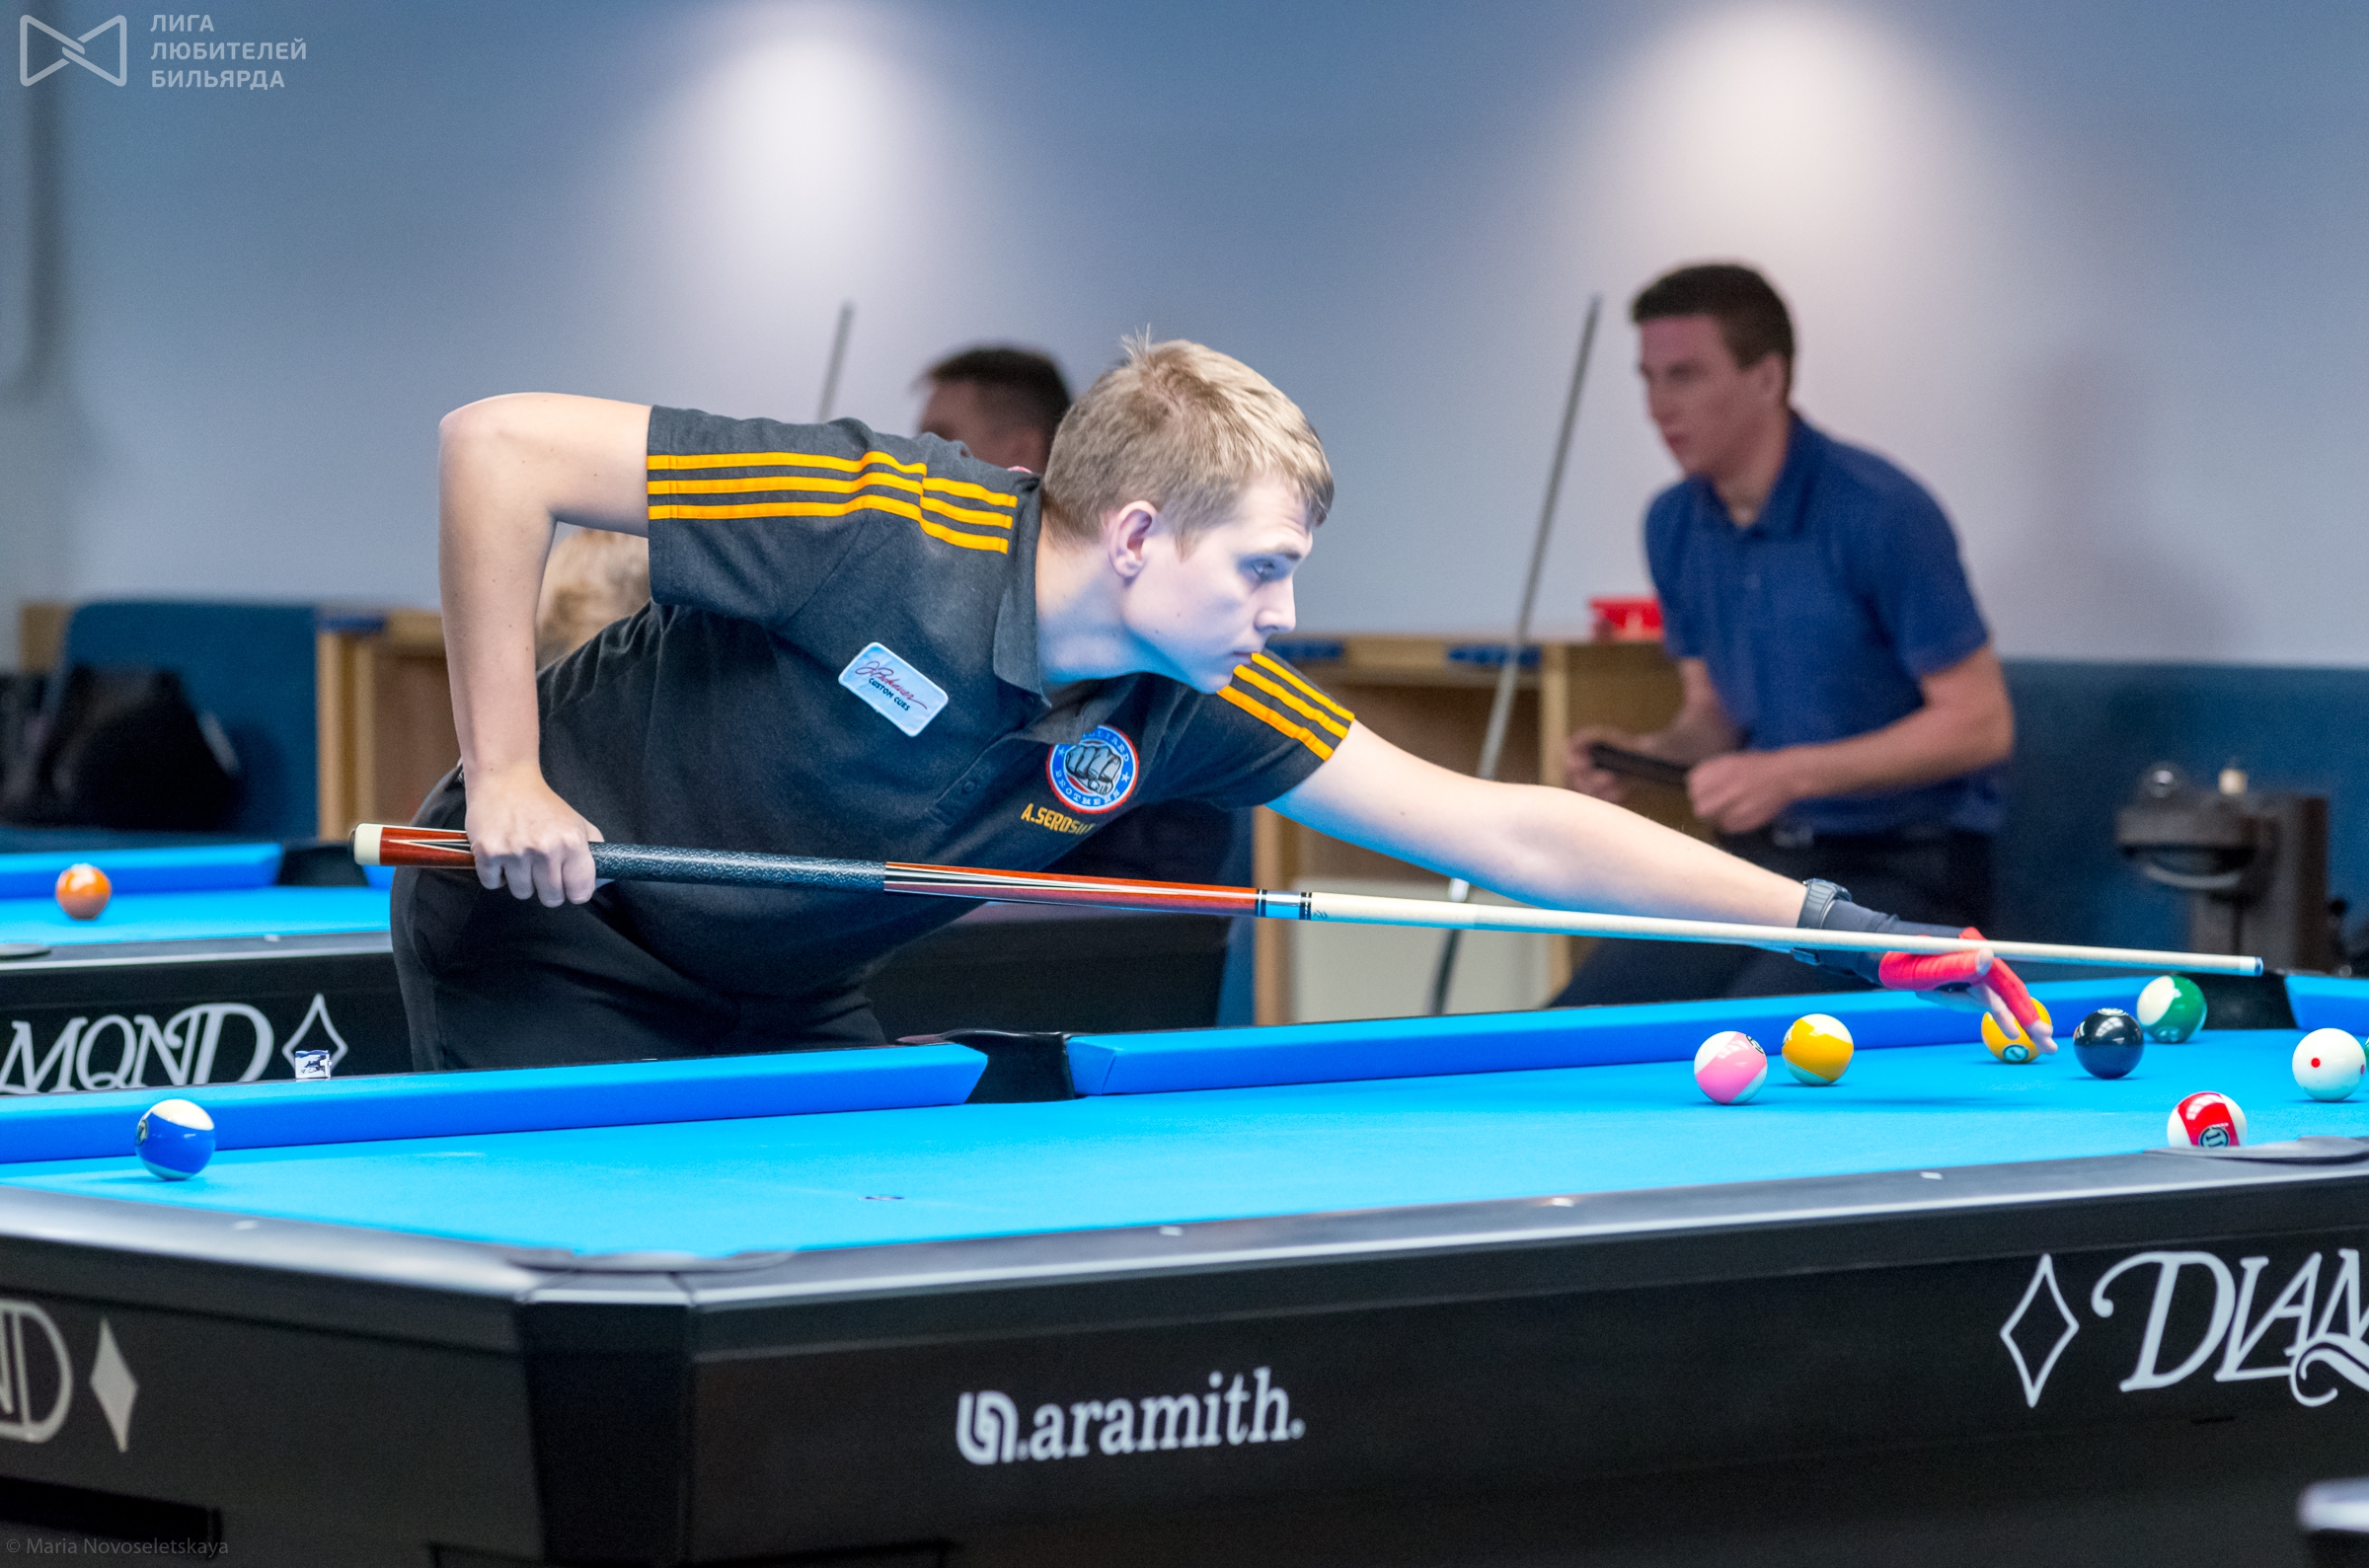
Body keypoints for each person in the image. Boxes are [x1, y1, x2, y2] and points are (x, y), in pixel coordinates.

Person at [399, 336, 2045, 1071]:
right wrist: (508, 770)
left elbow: (1505, 828)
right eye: (1262, 567)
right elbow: (500, 445)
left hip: (782, 981)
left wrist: (1836, 924)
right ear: (1135, 537)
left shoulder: (1192, 696)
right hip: (556, 937)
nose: (1286, 611)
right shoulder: (873, 516)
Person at [1555, 264, 2015, 1007]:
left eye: (1685, 376)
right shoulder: (1671, 522)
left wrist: (1790, 775)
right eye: (1648, 379)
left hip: (1904, 870)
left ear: (1767, 378)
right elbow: (1712, 715)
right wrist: (1647, 755)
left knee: (1758, 1032)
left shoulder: (1882, 511)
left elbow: (1980, 723)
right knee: (1578, 1026)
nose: (1658, 407)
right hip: (1752, 868)